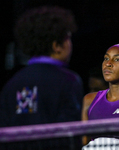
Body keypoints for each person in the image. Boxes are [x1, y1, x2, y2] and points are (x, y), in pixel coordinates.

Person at [0, 6, 84, 150]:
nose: (70, 44)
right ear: (56, 45)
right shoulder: (69, 80)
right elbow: (70, 134)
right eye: (68, 38)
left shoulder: (12, 83)